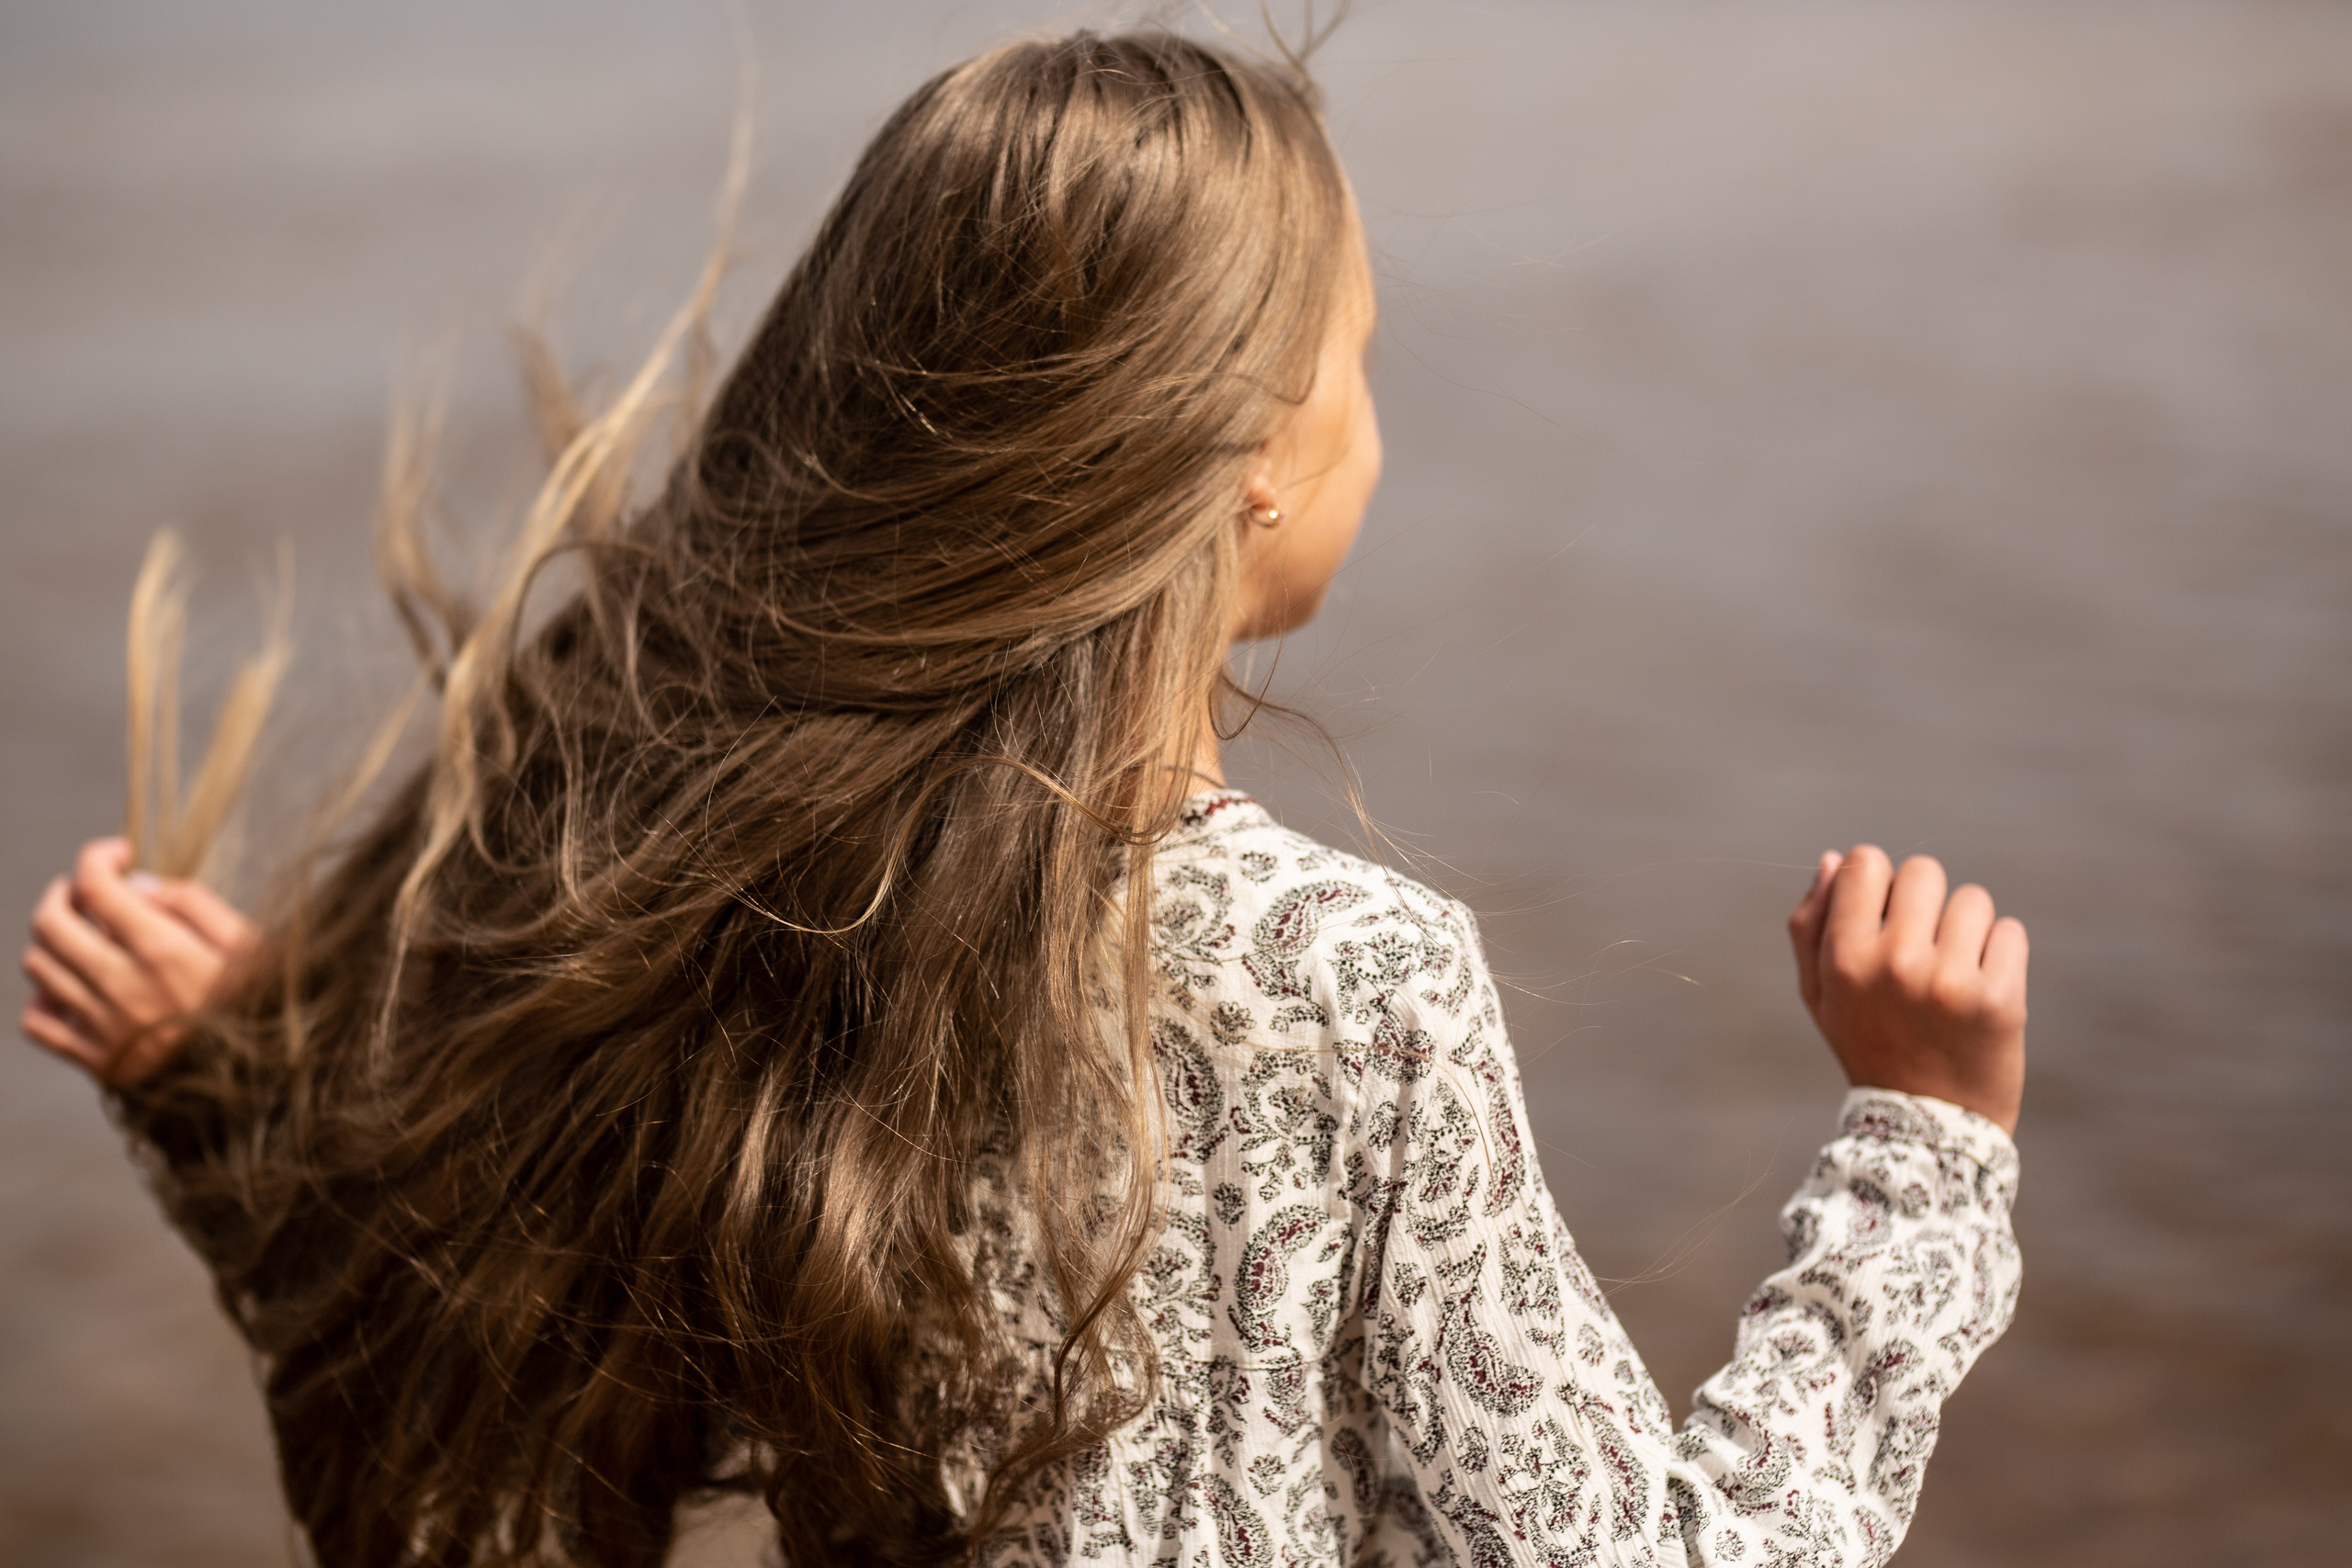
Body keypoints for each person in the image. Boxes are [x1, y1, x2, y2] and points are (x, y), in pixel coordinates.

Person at [17, 28, 2027, 1568]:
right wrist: (1916, 1153)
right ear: (1249, 449)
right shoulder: (1348, 979)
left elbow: (449, 1430)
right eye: (1359, 362)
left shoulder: (764, 903)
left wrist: (231, 1098)